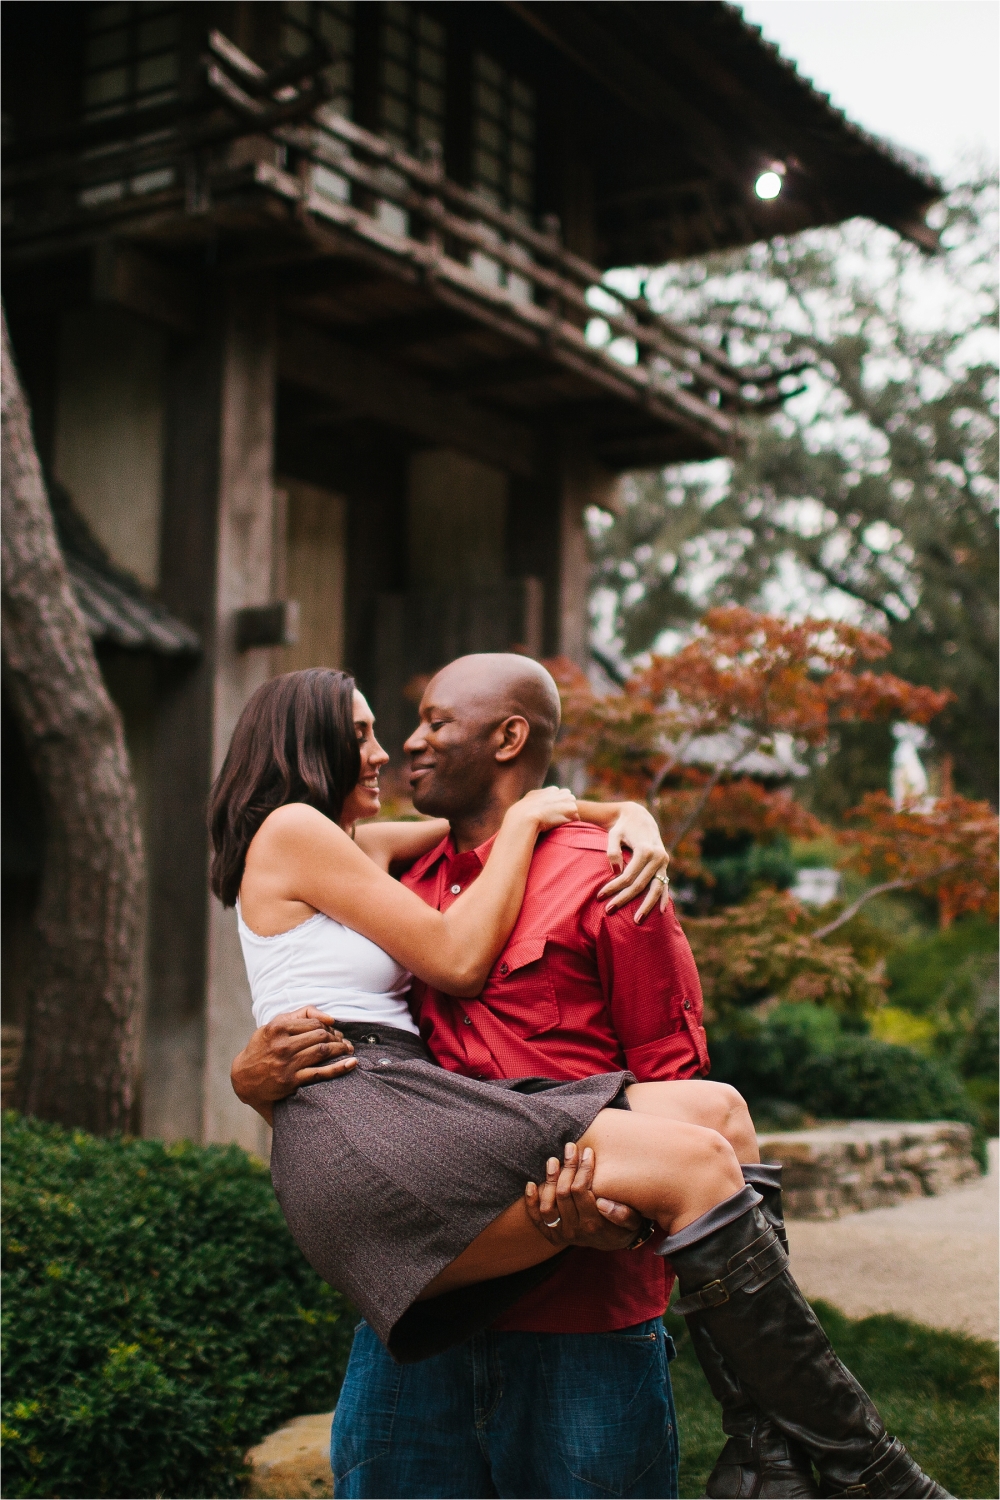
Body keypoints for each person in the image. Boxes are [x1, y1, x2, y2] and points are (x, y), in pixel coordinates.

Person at [224, 660, 948, 1500]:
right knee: (691, 1163)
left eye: (426, 724)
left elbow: (666, 1063)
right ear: (309, 744)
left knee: (717, 1116)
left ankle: (770, 1449)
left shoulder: (582, 870)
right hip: (409, 1171)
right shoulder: (348, 857)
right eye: (367, 734)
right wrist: (252, 1080)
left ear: (509, 738)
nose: (395, 747)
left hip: (577, 1302)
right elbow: (446, 965)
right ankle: (873, 1472)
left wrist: (628, 812)